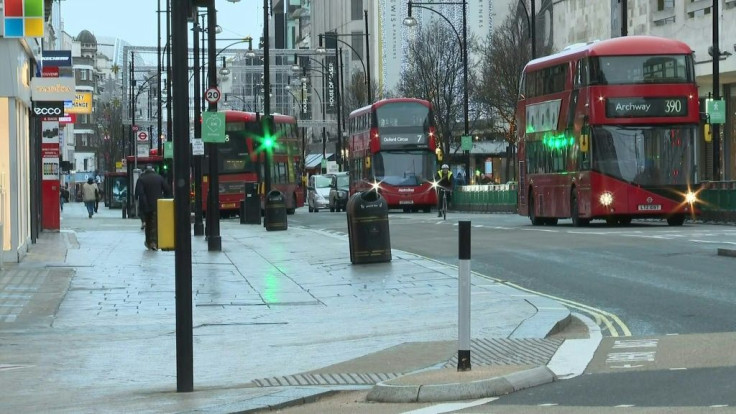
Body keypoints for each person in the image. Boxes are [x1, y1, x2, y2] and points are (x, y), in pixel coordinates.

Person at [135, 165, 171, 251]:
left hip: (145, 204)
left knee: (148, 223)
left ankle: (148, 241)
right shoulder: (159, 178)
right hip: (157, 204)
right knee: (154, 223)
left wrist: (137, 199)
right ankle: (154, 242)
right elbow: (167, 189)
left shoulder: (141, 179)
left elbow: (138, 192)